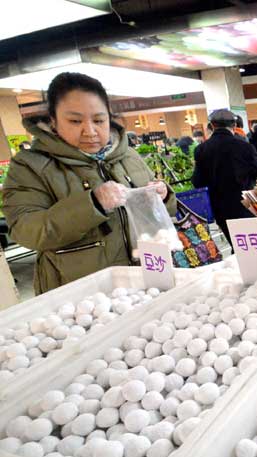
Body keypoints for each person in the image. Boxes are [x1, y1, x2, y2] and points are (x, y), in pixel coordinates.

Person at [1, 72, 175, 294]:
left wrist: (163, 196)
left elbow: (160, 215)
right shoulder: (31, 166)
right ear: (53, 120)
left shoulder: (128, 155)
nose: (90, 131)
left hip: (148, 279)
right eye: (75, 121)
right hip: (82, 295)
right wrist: (92, 203)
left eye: (99, 120)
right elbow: (25, 230)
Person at [192, 109, 257, 246]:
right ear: (234, 126)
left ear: (212, 126)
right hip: (245, 204)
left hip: (219, 207)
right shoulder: (244, 147)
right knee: (251, 244)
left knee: (235, 243)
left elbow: (197, 181)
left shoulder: (201, 150)